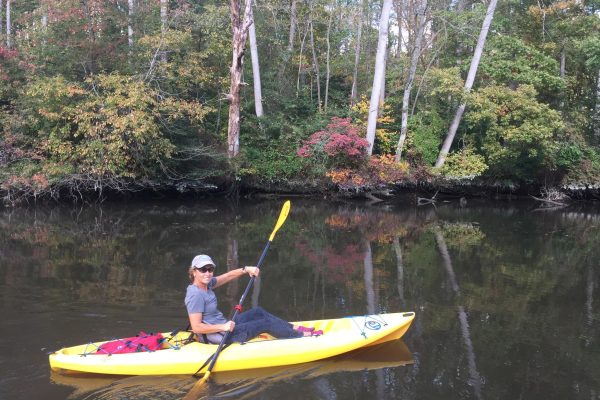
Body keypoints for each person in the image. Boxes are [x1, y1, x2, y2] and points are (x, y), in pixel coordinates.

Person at [185, 254, 321, 344]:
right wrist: (223, 326)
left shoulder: (207, 284)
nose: (208, 273)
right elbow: (196, 327)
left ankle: (297, 328)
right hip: (220, 335)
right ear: (194, 271)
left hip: (226, 327)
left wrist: (245, 269)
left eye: (210, 269)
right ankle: (301, 338)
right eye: (203, 270)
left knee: (258, 312)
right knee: (265, 323)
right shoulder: (195, 294)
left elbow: (227, 277)